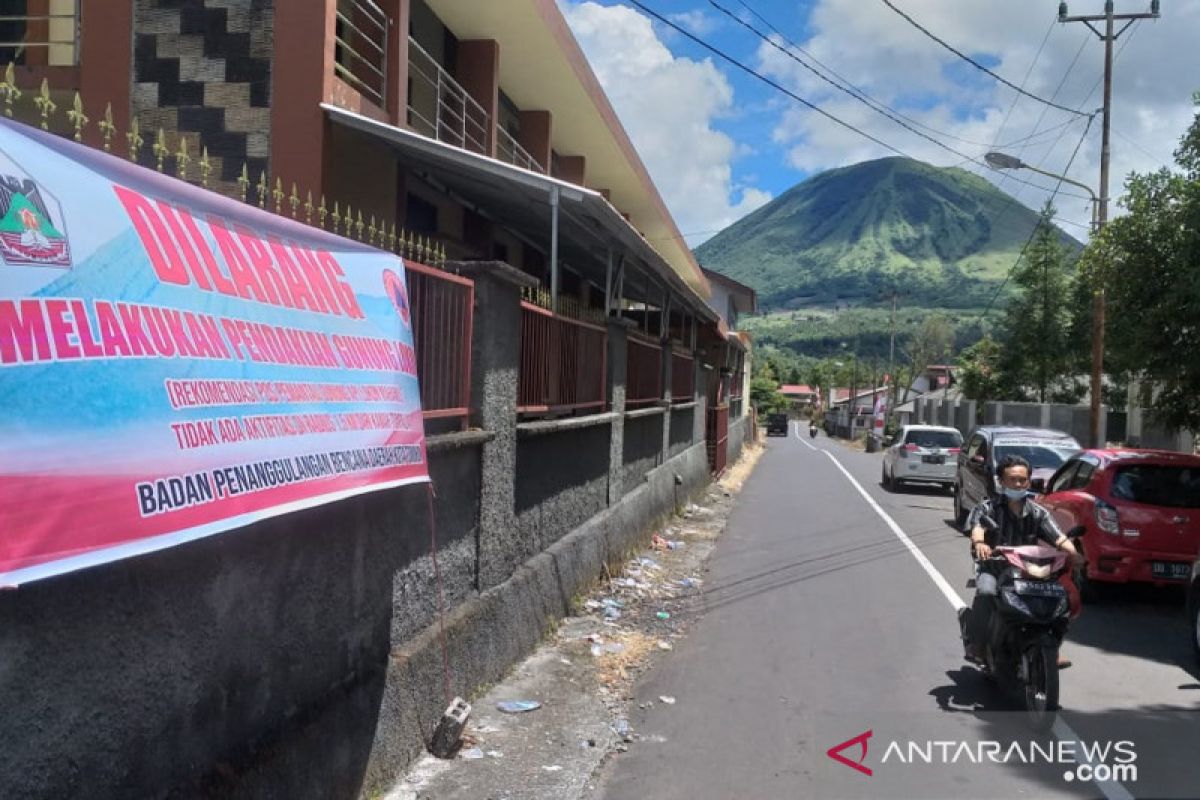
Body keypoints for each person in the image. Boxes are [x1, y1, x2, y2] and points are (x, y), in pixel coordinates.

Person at [959, 455, 1083, 669]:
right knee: (986, 592)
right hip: (996, 568)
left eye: (1022, 480)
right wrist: (980, 543)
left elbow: (1059, 538)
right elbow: (978, 528)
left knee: (1064, 599)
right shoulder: (988, 508)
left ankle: (1052, 647)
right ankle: (977, 645)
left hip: (1030, 571)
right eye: (1012, 479)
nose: (1018, 484)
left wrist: (1075, 554)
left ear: (1029, 482)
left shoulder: (1038, 512)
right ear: (1001, 481)